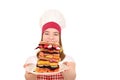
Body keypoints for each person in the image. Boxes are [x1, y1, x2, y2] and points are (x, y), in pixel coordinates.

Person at [24, 10, 76, 80]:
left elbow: (70, 78)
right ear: (42, 36)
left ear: (59, 37)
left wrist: (68, 70)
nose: (51, 37)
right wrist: (29, 73)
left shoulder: (67, 60)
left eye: (55, 34)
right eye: (47, 33)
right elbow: (30, 79)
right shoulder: (32, 61)